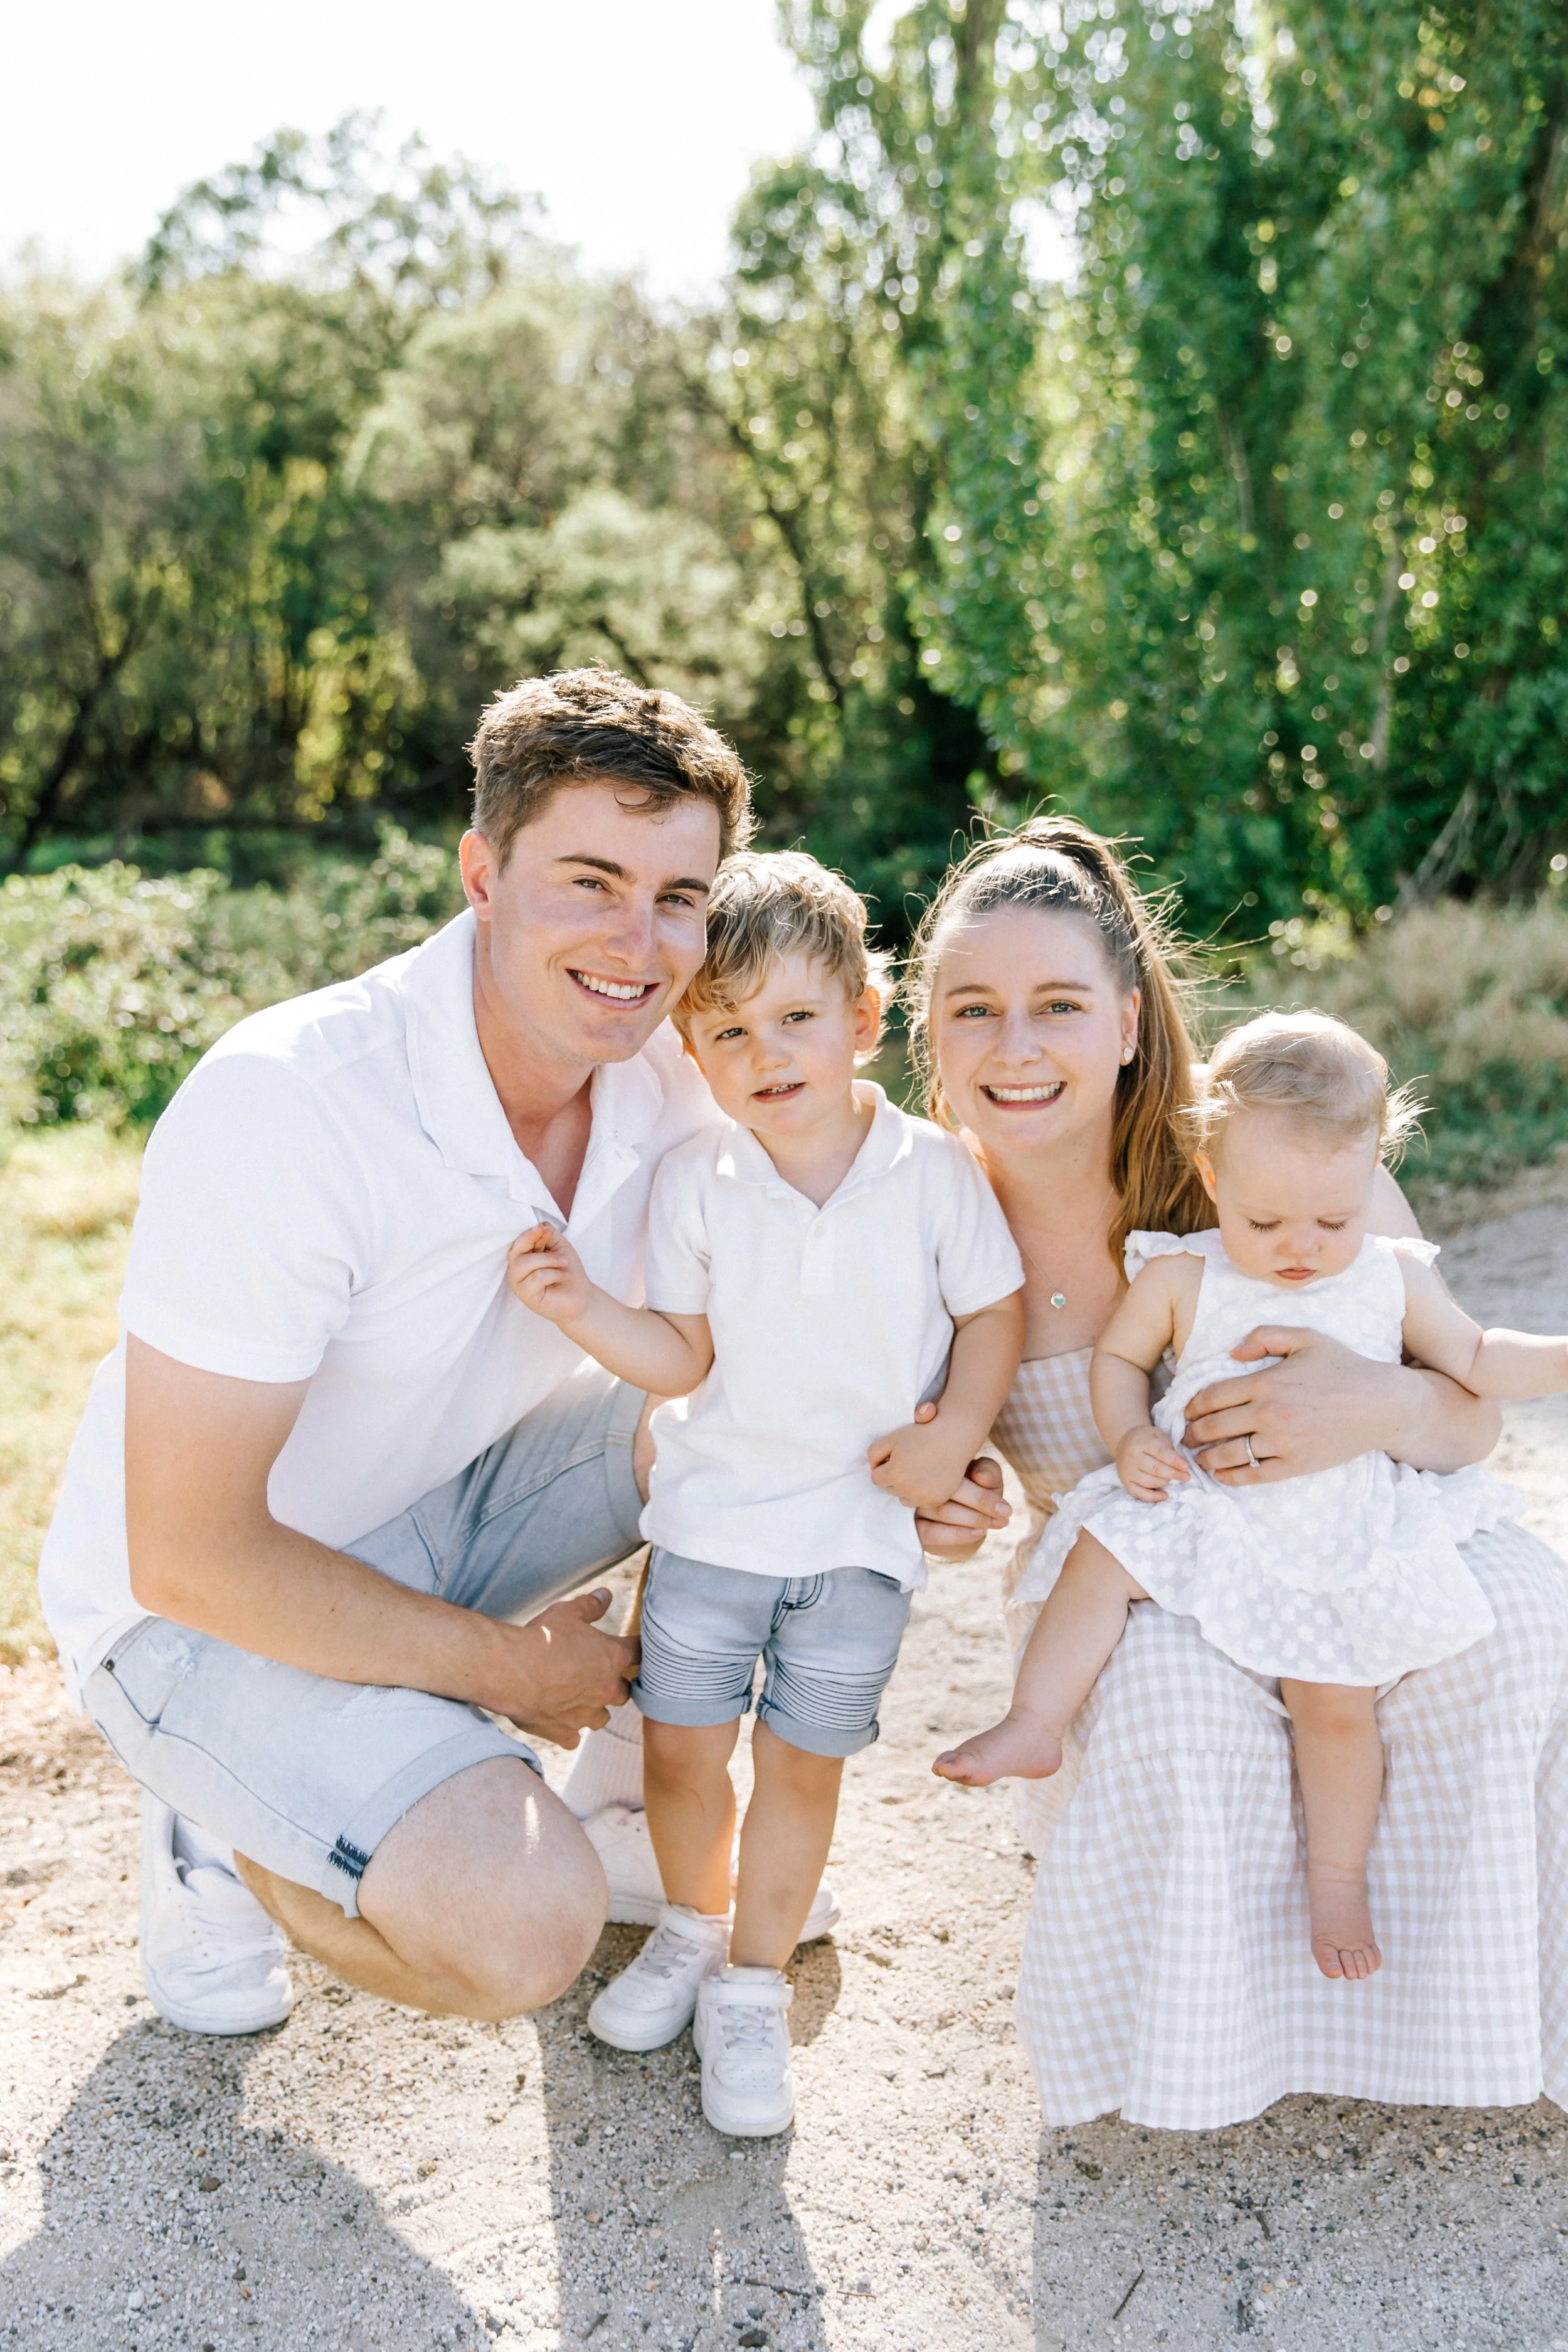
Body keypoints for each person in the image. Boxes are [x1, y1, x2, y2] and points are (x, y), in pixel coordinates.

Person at [35, 667, 791, 2034]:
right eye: (589, 881)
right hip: (191, 1617)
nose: (639, 942)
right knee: (521, 1932)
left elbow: (859, 1235)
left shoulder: (669, 1076)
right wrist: (513, 1675)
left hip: (439, 1515)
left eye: (678, 897)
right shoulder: (293, 1103)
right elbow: (189, 1555)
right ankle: (219, 1822)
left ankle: (632, 1792)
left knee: (775, 1395)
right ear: (482, 872)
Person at [905, 816, 1568, 2129]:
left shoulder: (1265, 1155)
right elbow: (903, 1465)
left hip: (1361, 1514)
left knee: (1524, 1631)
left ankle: (1495, 2007)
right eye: (972, 1010)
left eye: (1056, 1004)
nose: (1016, 1046)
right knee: (1173, 1715)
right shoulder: (914, 1214)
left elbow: (1468, 1419)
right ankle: (1211, 2045)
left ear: (1130, 1019)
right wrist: (942, 1508)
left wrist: (1373, 1402)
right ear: (926, 1031)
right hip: (1147, 1563)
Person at [507, 852, 1025, 2132]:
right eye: (727, 1031)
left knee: (802, 1770)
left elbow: (994, 1313)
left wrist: (955, 1430)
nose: (765, 1052)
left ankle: (751, 1984)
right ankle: (688, 1925)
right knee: (685, 1759)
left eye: (796, 1018)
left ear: (860, 1019)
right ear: (692, 1049)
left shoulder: (933, 1175)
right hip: (708, 1534)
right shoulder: (700, 1186)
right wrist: (586, 1307)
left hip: (853, 1546)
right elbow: (681, 1358)